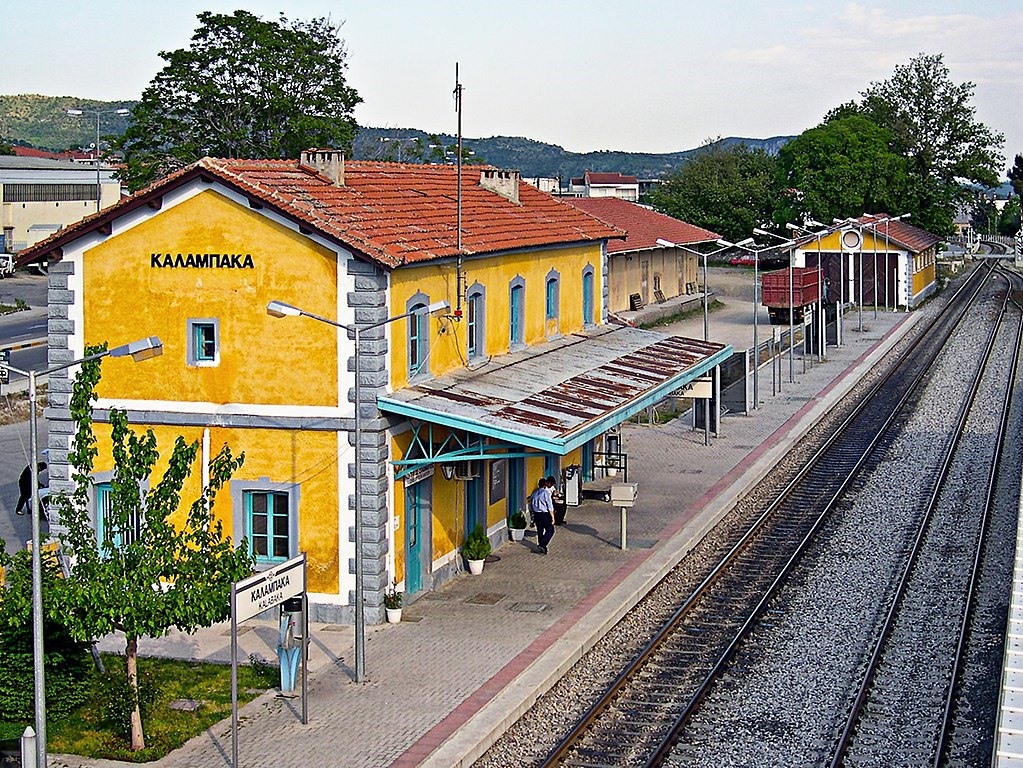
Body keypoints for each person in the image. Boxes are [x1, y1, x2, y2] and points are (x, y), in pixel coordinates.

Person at [529, 477, 555, 554]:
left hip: (537, 514)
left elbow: (531, 505)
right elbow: (549, 505)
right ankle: (542, 544)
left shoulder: (534, 493)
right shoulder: (545, 493)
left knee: (540, 530)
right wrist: (553, 517)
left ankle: (541, 547)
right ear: (545, 485)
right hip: (544, 514)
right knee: (550, 530)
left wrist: (532, 515)